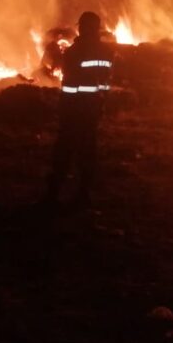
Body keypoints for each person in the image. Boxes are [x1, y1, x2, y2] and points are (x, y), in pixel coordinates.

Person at [45, 11, 114, 207]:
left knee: (64, 149)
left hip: (73, 107)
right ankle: (84, 193)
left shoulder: (74, 51)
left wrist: (64, 105)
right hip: (92, 107)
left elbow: (68, 82)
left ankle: (54, 193)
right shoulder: (106, 52)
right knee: (88, 149)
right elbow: (105, 82)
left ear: (82, 27)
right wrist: (101, 102)